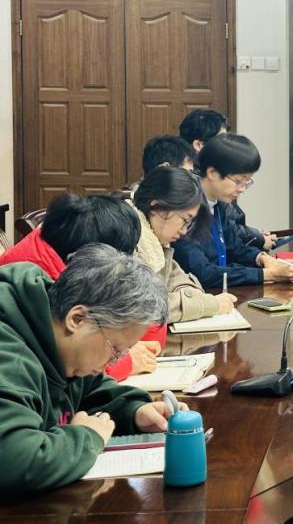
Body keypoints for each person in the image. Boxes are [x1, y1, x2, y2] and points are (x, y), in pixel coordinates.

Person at [0, 244, 174, 493]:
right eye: (115, 349)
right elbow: (11, 460)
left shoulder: (62, 346)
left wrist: (134, 411)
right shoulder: (9, 355)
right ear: (77, 319)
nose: (114, 362)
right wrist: (86, 437)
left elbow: (92, 390)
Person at [0, 194, 164, 380]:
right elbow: (62, 365)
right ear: (95, 256)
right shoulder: (41, 283)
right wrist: (126, 362)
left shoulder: (55, 252)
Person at [172, 133, 293, 288]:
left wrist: (265, 259)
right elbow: (202, 273)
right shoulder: (185, 206)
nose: (242, 189)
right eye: (238, 181)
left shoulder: (219, 203)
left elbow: (235, 248)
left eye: (247, 182)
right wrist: (267, 274)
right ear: (212, 173)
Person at [131, 166, 236, 321]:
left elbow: (177, 278)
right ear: (157, 208)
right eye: (185, 220)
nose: (184, 231)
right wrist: (208, 305)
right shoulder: (127, 238)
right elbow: (142, 308)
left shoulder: (155, 240)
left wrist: (191, 295)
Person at [179, 108, 275, 250]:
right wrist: (258, 238)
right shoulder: (192, 189)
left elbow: (230, 232)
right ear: (199, 145)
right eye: (221, 140)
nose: (241, 189)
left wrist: (257, 245)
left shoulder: (217, 190)